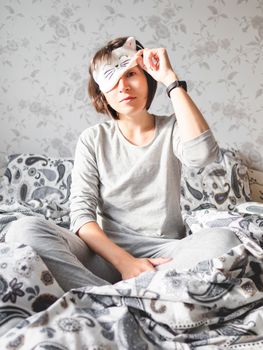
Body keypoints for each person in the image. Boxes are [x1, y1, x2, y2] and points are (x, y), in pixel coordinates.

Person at [5, 36, 240, 292]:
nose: (123, 86)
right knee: (23, 229)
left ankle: (104, 295)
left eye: (131, 74)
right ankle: (119, 296)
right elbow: (82, 216)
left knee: (225, 240)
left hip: (164, 253)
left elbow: (203, 154)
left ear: (149, 80)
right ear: (102, 92)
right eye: (112, 79)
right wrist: (125, 262)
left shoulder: (172, 128)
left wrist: (171, 81)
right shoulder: (93, 139)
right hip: (103, 255)